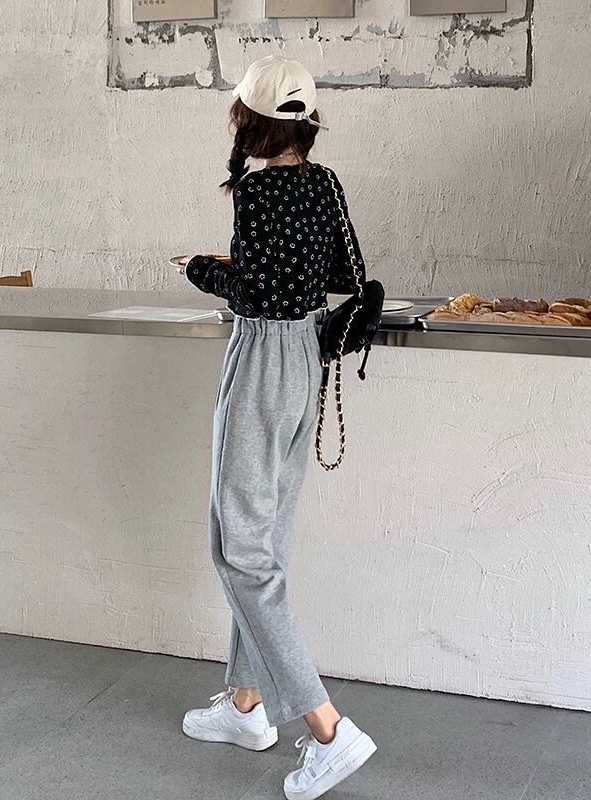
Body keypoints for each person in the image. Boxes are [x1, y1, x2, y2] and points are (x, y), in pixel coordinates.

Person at [176, 54, 376, 800]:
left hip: (262, 357)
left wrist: (202, 268)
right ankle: (246, 706)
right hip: (306, 359)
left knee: (240, 549)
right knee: (265, 542)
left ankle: (328, 729)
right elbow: (341, 274)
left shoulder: (257, 193)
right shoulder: (325, 182)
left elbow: (255, 292)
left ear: (248, 122)